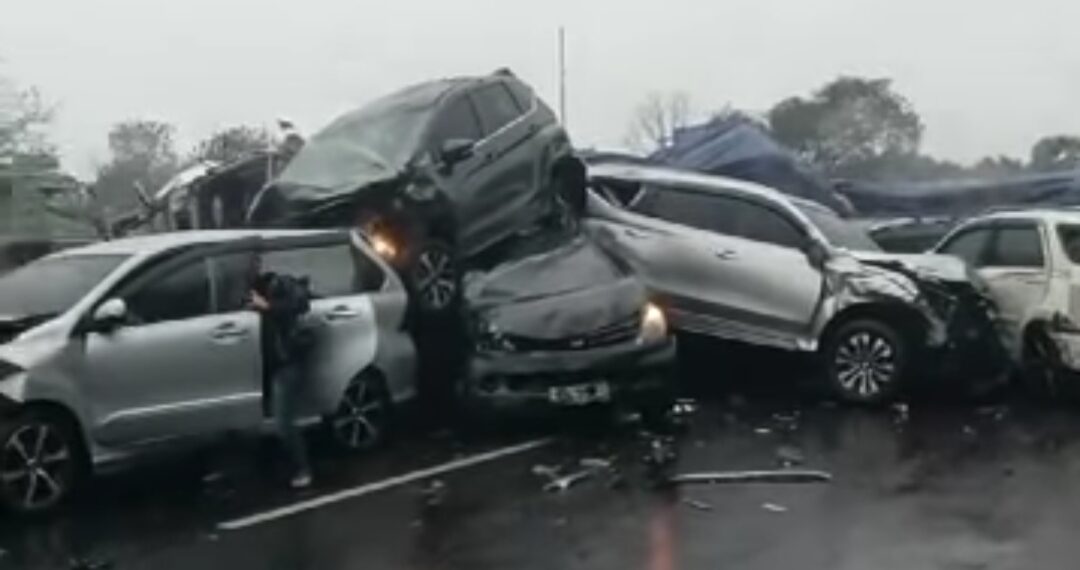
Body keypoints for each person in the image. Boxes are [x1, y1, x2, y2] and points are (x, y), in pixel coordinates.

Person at [249, 255, 314, 489]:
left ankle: (302, 468)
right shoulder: (242, 291)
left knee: (284, 421)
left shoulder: (276, 283)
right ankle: (279, 467)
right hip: (262, 366)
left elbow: (301, 303)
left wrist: (267, 307)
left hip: (285, 363)